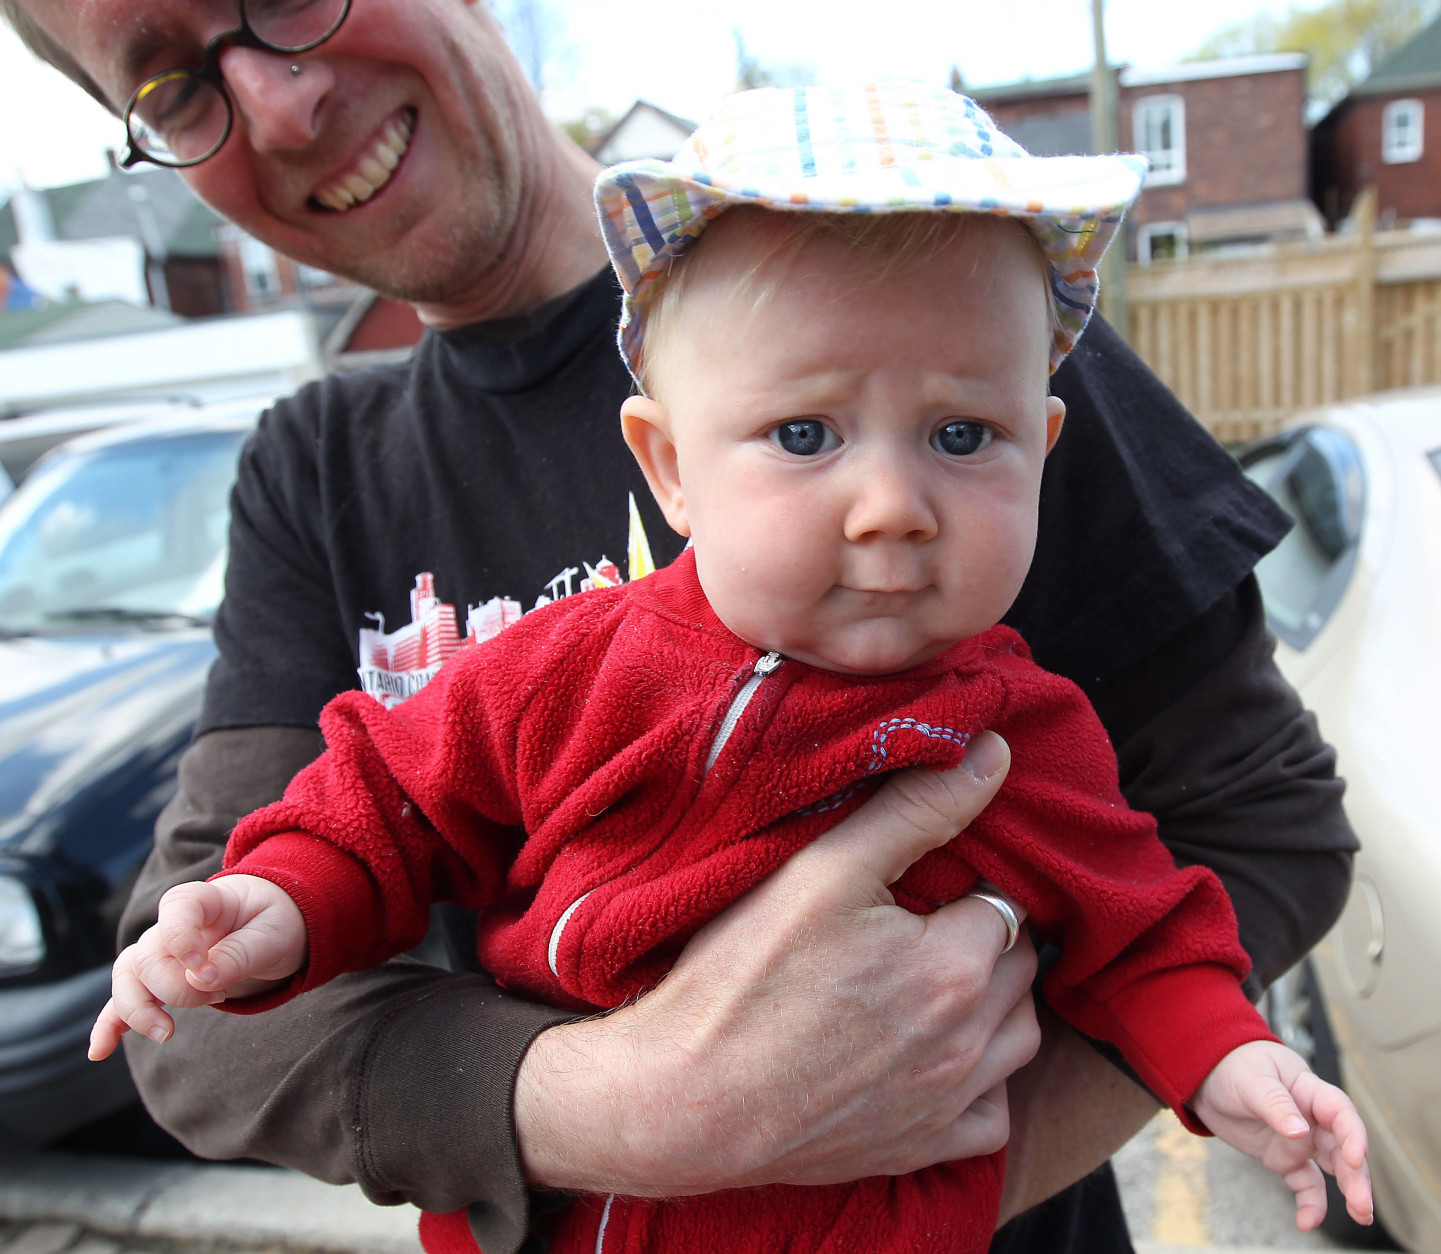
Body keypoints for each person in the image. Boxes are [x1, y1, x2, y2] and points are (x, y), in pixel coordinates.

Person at [4, 2, 1356, 1252]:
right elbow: (379, 810)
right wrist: (293, 906)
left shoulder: (950, 277)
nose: (891, 504)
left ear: (1031, 440)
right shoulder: (504, 608)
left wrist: (1190, 1070)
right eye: (174, 84)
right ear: (663, 460)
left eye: (959, 437)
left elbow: (1183, 889)